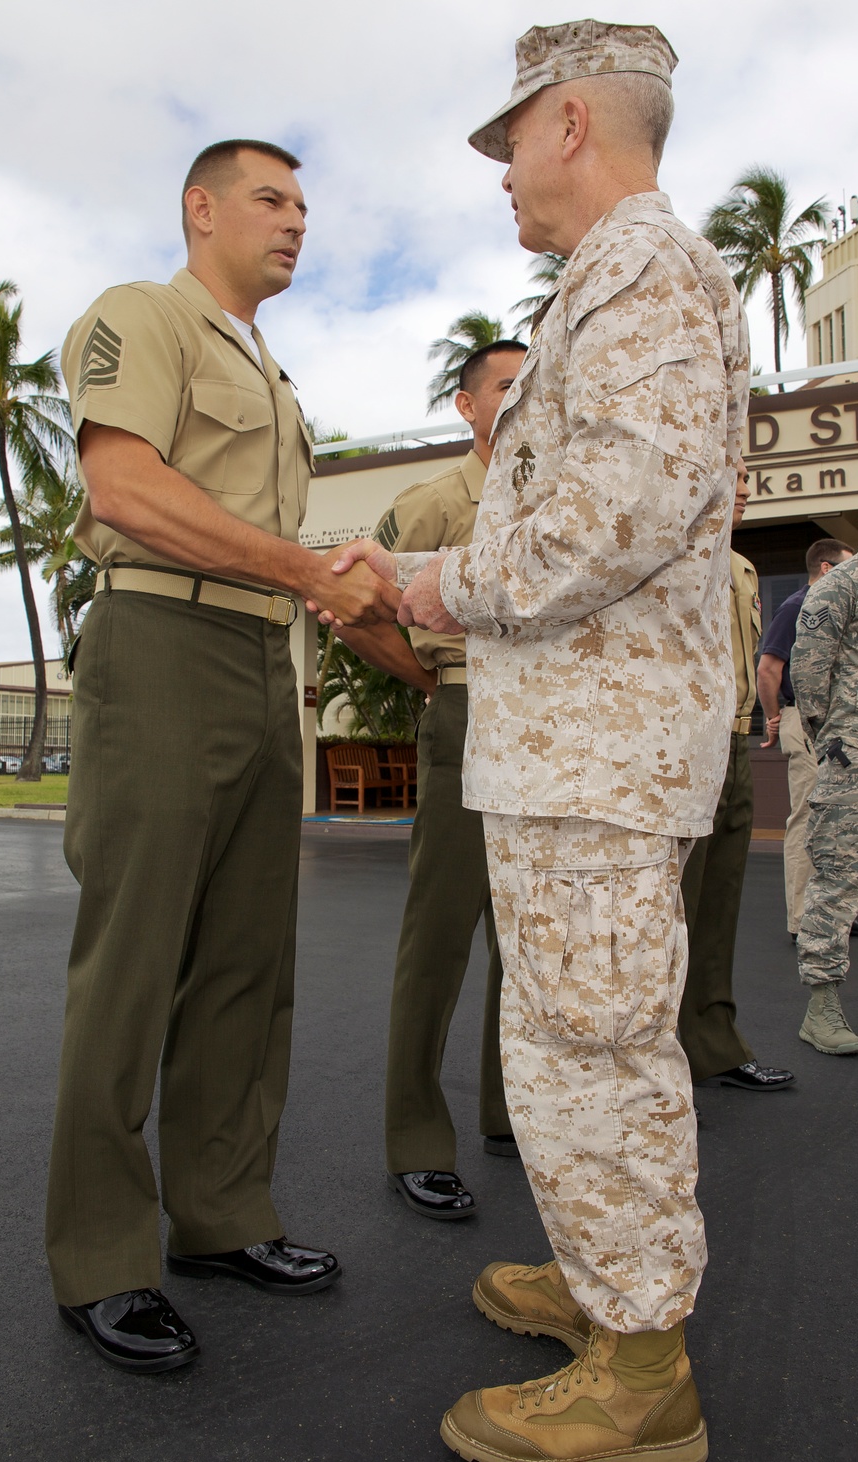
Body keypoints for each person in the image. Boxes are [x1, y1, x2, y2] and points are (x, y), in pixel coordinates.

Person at [327, 19, 747, 1462]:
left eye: (511, 138)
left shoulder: (641, 269)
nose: (504, 170)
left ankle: (645, 1375)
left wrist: (439, 585)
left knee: (599, 1041)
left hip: (600, 751)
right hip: (573, 740)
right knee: (568, 1036)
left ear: (570, 120)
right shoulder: (608, 282)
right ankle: (604, 1275)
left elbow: (621, 507)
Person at [48, 139, 398, 1374]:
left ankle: (220, 1217)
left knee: (250, 962)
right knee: (134, 960)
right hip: (160, 635)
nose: (296, 221)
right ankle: (102, 1255)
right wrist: (310, 573)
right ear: (201, 209)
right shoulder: (144, 317)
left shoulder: (275, 371)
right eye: (271, 199)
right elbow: (125, 486)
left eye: (306, 203)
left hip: (261, 659)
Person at [338, 342, 526, 1223]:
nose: (525, 397)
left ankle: (509, 1117)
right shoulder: (436, 503)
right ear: (465, 404)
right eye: (506, 385)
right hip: (465, 714)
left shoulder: (549, 495)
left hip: (544, 727)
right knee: (441, 938)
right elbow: (353, 608)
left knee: (526, 937)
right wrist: (427, 684)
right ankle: (416, 1139)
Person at [678, 458, 795, 1093]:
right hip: (684, 745)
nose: (746, 490)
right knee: (676, 909)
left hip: (735, 742)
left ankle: (715, 1045)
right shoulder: (675, 556)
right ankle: (657, 1054)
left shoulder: (745, 568)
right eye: (735, 480)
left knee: (721, 902)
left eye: (750, 482)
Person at [756, 538, 854, 937]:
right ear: (828, 569)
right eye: (849, 568)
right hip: (808, 722)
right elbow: (768, 669)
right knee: (808, 820)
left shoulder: (840, 607)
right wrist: (776, 717)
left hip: (841, 725)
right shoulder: (796, 606)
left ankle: (842, 913)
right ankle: (801, 921)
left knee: (844, 821)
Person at [790, 552, 858, 1055]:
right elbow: (809, 672)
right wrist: (837, 738)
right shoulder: (840, 584)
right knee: (838, 872)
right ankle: (822, 1006)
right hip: (853, 752)